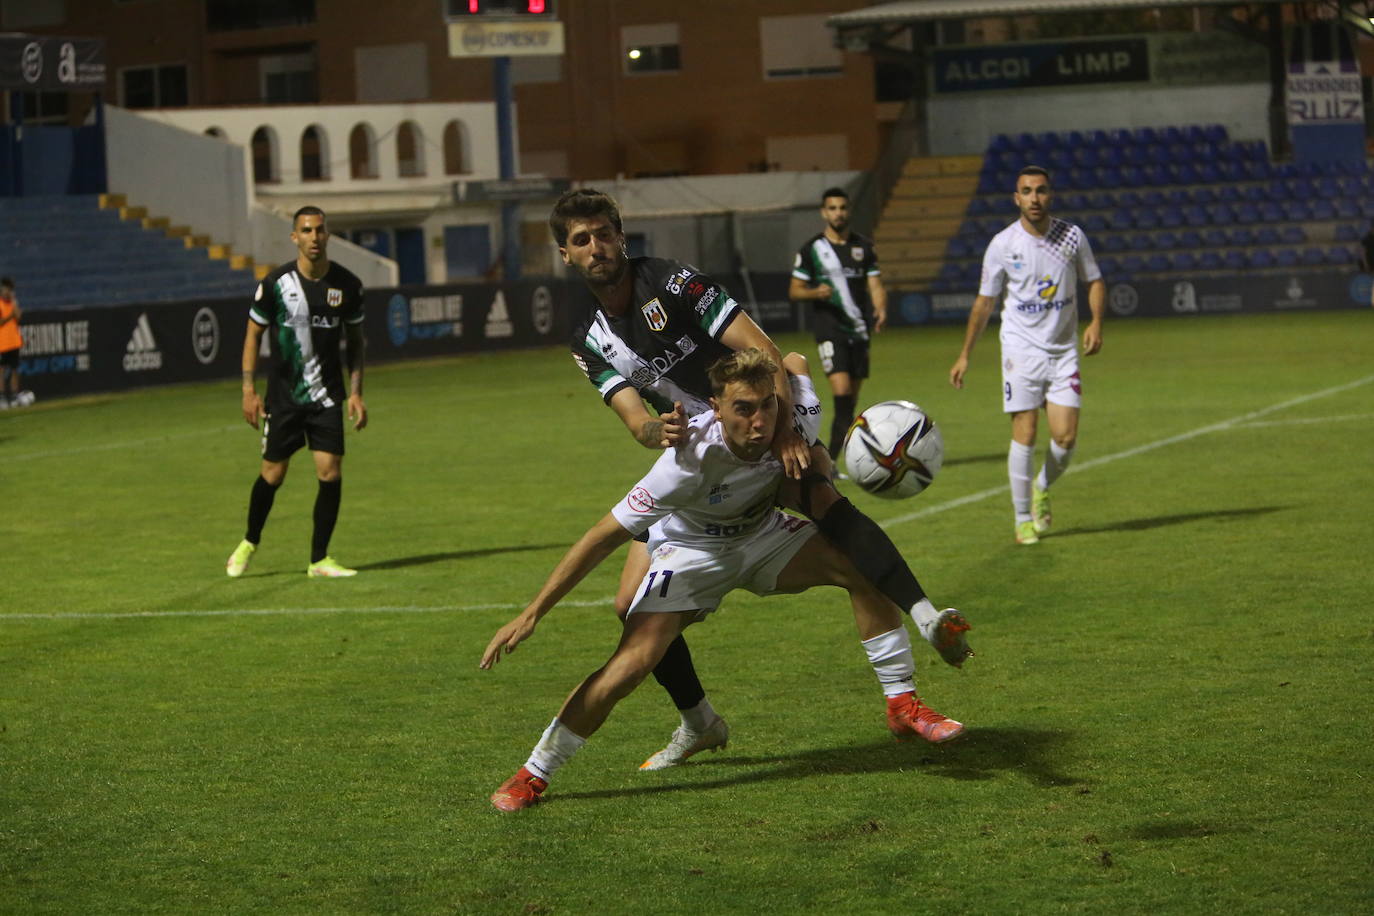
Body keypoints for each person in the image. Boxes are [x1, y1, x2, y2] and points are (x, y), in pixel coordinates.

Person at [551, 188, 971, 771]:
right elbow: (635, 421)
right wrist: (658, 432)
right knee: (628, 608)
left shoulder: (672, 283)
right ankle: (700, 723)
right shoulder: (588, 338)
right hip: (697, 461)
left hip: (759, 423)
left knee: (820, 492)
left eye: (603, 233)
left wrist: (789, 434)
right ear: (566, 255)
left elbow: (766, 351)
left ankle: (906, 688)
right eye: (581, 240)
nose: (596, 247)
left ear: (621, 237)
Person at [481, 349, 964, 811]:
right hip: (692, 552)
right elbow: (600, 537)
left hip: (762, 536)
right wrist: (533, 612)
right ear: (715, 408)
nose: (759, 423)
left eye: (767, 406)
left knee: (860, 565)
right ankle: (534, 772)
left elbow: (793, 362)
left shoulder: (788, 421)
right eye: (743, 409)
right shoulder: (685, 463)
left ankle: (902, 703)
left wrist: (798, 428)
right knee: (633, 661)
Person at [948, 165, 1105, 545]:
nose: (1035, 198)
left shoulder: (1071, 236)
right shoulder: (1003, 244)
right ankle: (1022, 519)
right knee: (1026, 431)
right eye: (1027, 191)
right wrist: (965, 353)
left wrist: (1097, 321)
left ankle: (1041, 485)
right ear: (1016, 198)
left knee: (1065, 437)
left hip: (1063, 351)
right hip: (1020, 350)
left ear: (1051, 195)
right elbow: (985, 303)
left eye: (1041, 190)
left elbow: (1095, 279)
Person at [226, 206, 367, 578]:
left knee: (330, 471)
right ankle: (249, 541)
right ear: (295, 237)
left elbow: (355, 343)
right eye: (306, 231)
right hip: (284, 398)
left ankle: (319, 559)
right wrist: (247, 390)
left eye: (320, 230)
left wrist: (355, 392)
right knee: (273, 474)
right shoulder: (275, 284)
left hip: (326, 397)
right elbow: (252, 336)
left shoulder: (347, 286)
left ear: (327, 235)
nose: (314, 237)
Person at [788, 187, 888, 463]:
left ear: (848, 211)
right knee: (841, 391)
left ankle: (837, 458)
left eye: (842, 208)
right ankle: (827, 459)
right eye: (832, 208)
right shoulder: (812, 249)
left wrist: (880, 307)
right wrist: (814, 292)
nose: (838, 213)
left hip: (859, 329)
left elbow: (875, 284)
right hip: (829, 328)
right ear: (824, 212)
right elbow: (795, 290)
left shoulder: (863, 247)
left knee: (850, 401)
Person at [0, 276, 33, 409]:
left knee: (14, 370)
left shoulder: (13, 303)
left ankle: (14, 397)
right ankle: (2, 398)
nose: (8, 292)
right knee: (1, 371)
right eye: (6, 289)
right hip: (2, 343)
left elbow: (18, 318)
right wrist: (10, 316)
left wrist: (15, 305)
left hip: (14, 342)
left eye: (10, 290)